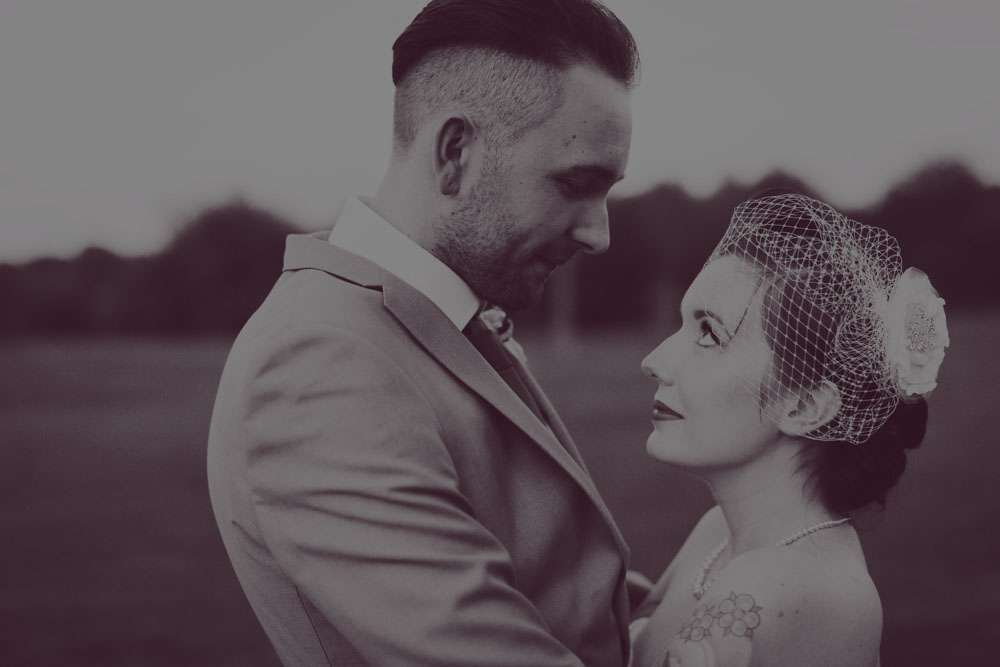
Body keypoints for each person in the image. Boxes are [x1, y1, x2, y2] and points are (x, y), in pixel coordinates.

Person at [207, 1, 644, 665]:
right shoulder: (319, 360)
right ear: (454, 153)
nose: (598, 233)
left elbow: (570, 598)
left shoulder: (430, 319)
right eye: (576, 184)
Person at [629, 193, 950, 666]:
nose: (654, 361)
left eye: (709, 334)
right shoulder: (722, 531)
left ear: (804, 406)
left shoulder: (764, 590)